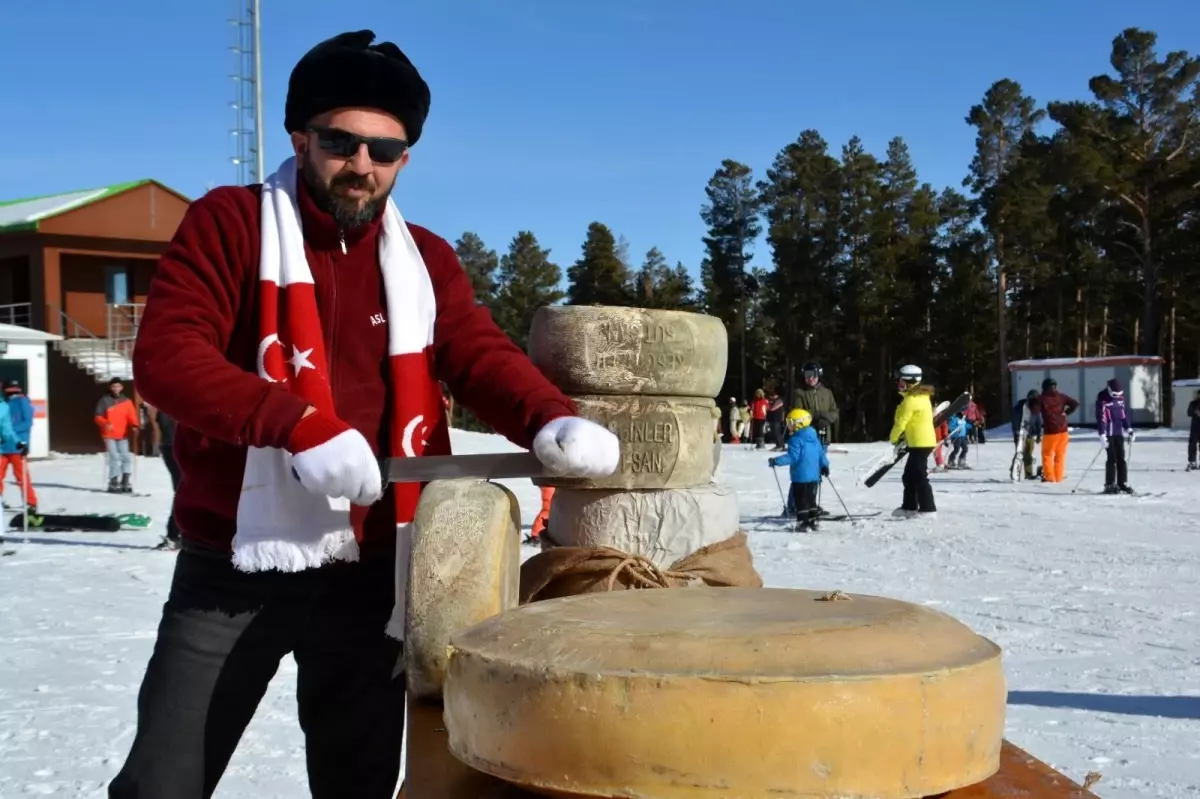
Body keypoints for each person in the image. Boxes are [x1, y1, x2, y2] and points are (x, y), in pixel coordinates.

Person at [112, 30, 620, 799]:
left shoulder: (424, 259)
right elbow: (169, 355)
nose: (362, 166)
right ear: (299, 137)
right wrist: (293, 422)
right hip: (236, 561)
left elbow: (478, 352)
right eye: (340, 141)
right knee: (163, 781)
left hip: (376, 566)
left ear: (406, 158)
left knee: (359, 783)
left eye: (384, 150)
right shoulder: (231, 225)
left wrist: (549, 420)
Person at [768, 408, 829, 532]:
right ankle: (813, 522)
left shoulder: (796, 439)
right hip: (814, 477)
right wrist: (824, 466)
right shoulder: (814, 438)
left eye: (790, 422)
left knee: (801, 500)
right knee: (811, 499)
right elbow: (821, 454)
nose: (788, 426)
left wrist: (776, 461)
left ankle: (802, 523)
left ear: (799, 423)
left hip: (800, 476)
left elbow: (792, 457)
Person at [888, 364, 937, 517]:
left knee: (918, 475)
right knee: (909, 475)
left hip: (920, 443)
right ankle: (908, 507)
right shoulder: (921, 397)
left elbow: (901, 422)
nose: (899, 384)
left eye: (901, 381)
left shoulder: (912, 400)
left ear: (910, 381)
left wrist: (894, 438)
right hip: (919, 442)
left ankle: (928, 509)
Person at [94, 377, 139, 493]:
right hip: (109, 434)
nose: (116, 388)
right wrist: (105, 423)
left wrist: (134, 425)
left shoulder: (127, 401)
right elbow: (97, 417)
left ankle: (125, 480)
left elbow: (132, 416)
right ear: (110, 388)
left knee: (126, 457)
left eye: (118, 386)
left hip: (123, 434)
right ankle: (113, 482)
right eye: (114, 386)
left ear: (122, 387)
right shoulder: (104, 400)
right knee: (114, 457)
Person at [146, 404, 182, 549]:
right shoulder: (161, 405)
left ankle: (179, 533)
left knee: (186, 491)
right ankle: (174, 534)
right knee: (182, 490)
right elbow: (156, 424)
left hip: (181, 446)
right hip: (171, 446)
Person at [1, 379, 36, 511]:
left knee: (22, 476)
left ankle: (31, 502)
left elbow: (27, 423)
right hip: (3, 447)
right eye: (10, 392)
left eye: (15, 391)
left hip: (17, 446)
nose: (13, 394)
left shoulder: (23, 402)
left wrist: (8, 431)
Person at [1096, 378, 1134, 494]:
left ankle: (1122, 483)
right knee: (1111, 458)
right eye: (1114, 394)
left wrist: (1129, 429)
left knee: (1121, 458)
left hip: (1118, 433)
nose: (1117, 396)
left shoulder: (1121, 399)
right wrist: (1102, 434)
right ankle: (1109, 484)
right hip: (1109, 434)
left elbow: (1123, 415)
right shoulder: (1103, 400)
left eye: (1119, 394)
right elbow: (1101, 418)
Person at [1037, 377, 1079, 483]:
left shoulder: (1042, 398)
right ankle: (1058, 476)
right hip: (1063, 430)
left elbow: (1034, 410)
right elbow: (1075, 404)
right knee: (1060, 455)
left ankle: (1049, 477)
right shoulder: (1062, 397)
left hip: (1050, 431)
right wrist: (1066, 413)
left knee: (1047, 454)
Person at [791, 361, 839, 444]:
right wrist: (817, 415)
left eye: (814, 375)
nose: (810, 378)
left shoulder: (827, 393)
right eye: (807, 375)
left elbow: (834, 412)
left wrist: (826, 419)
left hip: (824, 437)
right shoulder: (800, 393)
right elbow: (798, 414)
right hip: (807, 437)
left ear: (819, 375)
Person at [1011, 389, 1043, 480]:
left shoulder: (1036, 408)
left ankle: (1028, 473)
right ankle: (1014, 470)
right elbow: (1015, 419)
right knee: (1020, 453)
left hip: (1030, 434)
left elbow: (1038, 421)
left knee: (1029, 454)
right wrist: (1016, 431)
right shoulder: (1020, 407)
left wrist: (1038, 434)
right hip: (1020, 434)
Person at [1187, 390, 1200, 471]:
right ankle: (1192, 461)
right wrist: (1195, 412)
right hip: (1195, 428)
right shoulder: (1193, 403)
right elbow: (1188, 413)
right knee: (1192, 445)